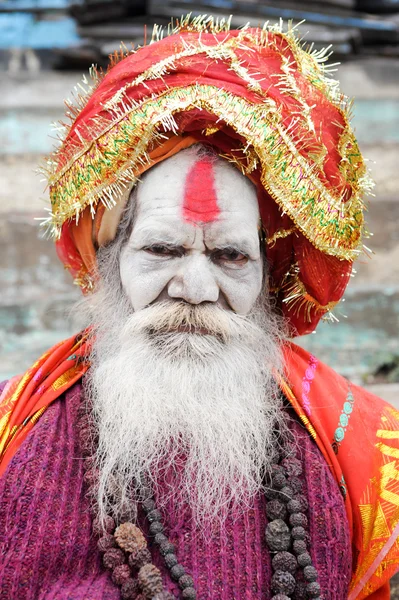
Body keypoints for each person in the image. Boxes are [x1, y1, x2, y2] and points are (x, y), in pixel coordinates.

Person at [0, 16, 398, 600]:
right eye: (162, 249)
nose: (195, 288)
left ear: (268, 278)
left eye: (231, 256)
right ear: (108, 263)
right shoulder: (14, 438)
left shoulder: (361, 452)